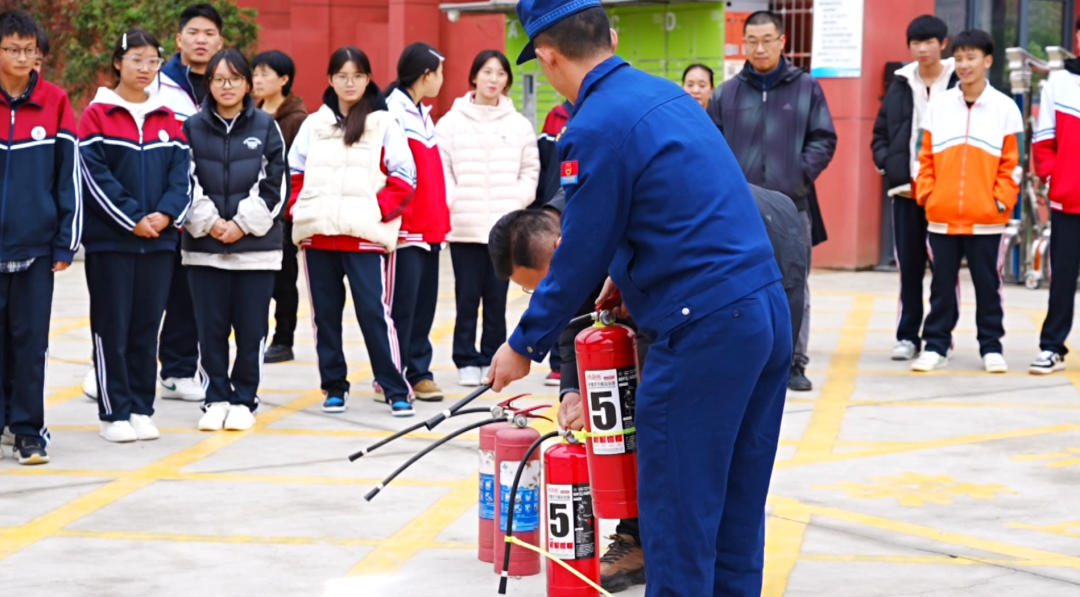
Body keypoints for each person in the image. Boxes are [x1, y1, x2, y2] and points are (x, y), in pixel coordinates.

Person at [486, 3, 792, 597]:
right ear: (610, 37)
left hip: (704, 329)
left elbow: (578, 249)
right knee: (732, 509)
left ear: (548, 56)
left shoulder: (594, 125)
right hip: (764, 311)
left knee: (677, 520)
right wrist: (627, 276)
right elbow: (678, 206)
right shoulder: (666, 95)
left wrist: (523, 342)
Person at [489, 181, 807, 593]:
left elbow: (655, 322)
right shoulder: (570, 216)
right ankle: (662, 544)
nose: (542, 295)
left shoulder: (608, 202)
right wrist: (573, 391)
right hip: (724, 274)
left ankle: (669, 550)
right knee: (689, 449)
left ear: (559, 249)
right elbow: (579, 310)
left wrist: (524, 345)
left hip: (767, 255)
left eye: (538, 287)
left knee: (704, 456)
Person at [707, 9, 836, 393]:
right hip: (739, 209)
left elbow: (824, 138)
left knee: (794, 285)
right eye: (752, 41)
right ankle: (742, 358)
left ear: (783, 42)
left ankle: (794, 362)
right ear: (743, 44)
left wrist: (797, 175)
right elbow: (711, 148)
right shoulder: (726, 94)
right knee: (736, 284)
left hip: (792, 206)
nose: (759, 48)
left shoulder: (806, 87)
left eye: (767, 40)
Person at [288, 46, 416, 417]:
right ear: (330, 79)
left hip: (364, 237)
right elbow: (294, 172)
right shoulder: (314, 124)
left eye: (357, 75)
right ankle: (334, 387)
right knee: (324, 316)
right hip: (318, 236)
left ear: (367, 79)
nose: (350, 82)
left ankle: (394, 388)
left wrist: (374, 211)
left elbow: (405, 176)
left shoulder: (383, 123)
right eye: (342, 75)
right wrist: (300, 208)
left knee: (374, 314)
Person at [79, 29, 192, 443]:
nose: (145, 69)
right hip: (112, 242)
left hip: (159, 242)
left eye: (152, 61)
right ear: (118, 63)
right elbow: (94, 175)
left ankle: (142, 408)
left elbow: (182, 176)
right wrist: (132, 218)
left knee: (147, 327)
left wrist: (165, 215)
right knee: (113, 327)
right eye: (136, 60)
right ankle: (114, 411)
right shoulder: (97, 114)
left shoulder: (168, 116)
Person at [182, 49, 287, 431]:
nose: (227, 87)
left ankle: (245, 398)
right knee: (209, 330)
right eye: (219, 80)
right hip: (205, 251)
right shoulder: (191, 127)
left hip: (255, 252)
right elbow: (185, 181)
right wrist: (210, 223)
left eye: (235, 79)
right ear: (208, 84)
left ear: (247, 84)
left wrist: (241, 225)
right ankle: (215, 398)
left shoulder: (265, 126)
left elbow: (277, 184)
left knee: (251, 329)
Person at [912, 29, 1021, 374]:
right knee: (942, 286)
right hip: (942, 215)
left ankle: (991, 346)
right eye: (958, 59)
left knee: (988, 285)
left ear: (987, 61)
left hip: (987, 218)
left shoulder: (1005, 108)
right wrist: (928, 195)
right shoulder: (939, 106)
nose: (964, 65)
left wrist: (1000, 202)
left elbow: (1013, 166)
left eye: (971, 58)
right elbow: (923, 157)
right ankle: (936, 345)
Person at [0, 11, 81, 465]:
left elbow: (66, 175)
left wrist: (64, 240)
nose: (21, 57)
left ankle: (29, 430)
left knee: (31, 344)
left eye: (29, 50)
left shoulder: (55, 101)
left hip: (35, 250)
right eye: (12, 49)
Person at [435, 49, 539, 387]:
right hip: (464, 228)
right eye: (487, 72)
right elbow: (442, 170)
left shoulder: (519, 125)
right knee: (466, 298)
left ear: (507, 80)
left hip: (503, 230)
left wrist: (516, 202)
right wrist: (453, 202)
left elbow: (530, 171)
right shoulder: (451, 123)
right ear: (474, 77)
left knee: (497, 299)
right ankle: (465, 359)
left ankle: (491, 356)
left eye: (500, 73)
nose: (493, 79)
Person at [871, 15, 957, 362]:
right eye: (916, 43)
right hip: (906, 191)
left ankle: (940, 335)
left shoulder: (957, 82)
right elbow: (881, 133)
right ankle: (907, 335)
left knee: (944, 270)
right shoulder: (901, 83)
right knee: (909, 268)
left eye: (929, 42)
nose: (922, 49)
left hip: (946, 193)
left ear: (943, 44)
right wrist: (887, 165)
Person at [152, 3, 226, 404]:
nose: (201, 40)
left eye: (209, 33)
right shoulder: (157, 84)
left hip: (207, 210)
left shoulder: (227, 84)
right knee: (140, 295)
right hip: (161, 204)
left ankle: (179, 369)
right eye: (194, 33)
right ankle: (107, 367)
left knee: (189, 294)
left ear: (220, 41)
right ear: (179, 39)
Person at [384, 42, 451, 403]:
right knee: (401, 308)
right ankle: (390, 376)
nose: (442, 80)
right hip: (406, 228)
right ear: (426, 75)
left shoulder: (422, 113)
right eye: (439, 73)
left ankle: (419, 371)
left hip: (430, 226)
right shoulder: (391, 111)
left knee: (424, 305)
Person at [1030, 16, 1080, 376]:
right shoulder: (1058, 83)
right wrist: (1053, 177)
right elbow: (1044, 142)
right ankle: (1052, 346)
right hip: (1069, 200)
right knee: (1062, 278)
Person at [253, 50, 307, 365]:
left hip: (283, 214)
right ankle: (258, 336)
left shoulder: (297, 120)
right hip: (252, 210)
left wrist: (290, 208)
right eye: (255, 74)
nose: (257, 80)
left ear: (284, 80)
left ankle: (283, 339)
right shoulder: (251, 113)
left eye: (264, 73)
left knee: (284, 280)